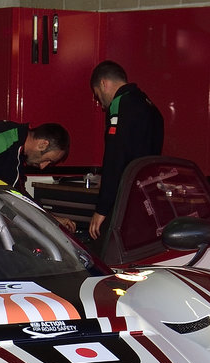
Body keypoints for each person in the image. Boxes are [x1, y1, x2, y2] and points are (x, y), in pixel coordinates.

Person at [87, 60, 164, 241]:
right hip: (147, 195)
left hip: (125, 198)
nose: (100, 103)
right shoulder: (150, 106)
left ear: (104, 84)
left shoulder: (119, 104)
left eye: (97, 95)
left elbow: (115, 156)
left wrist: (102, 208)